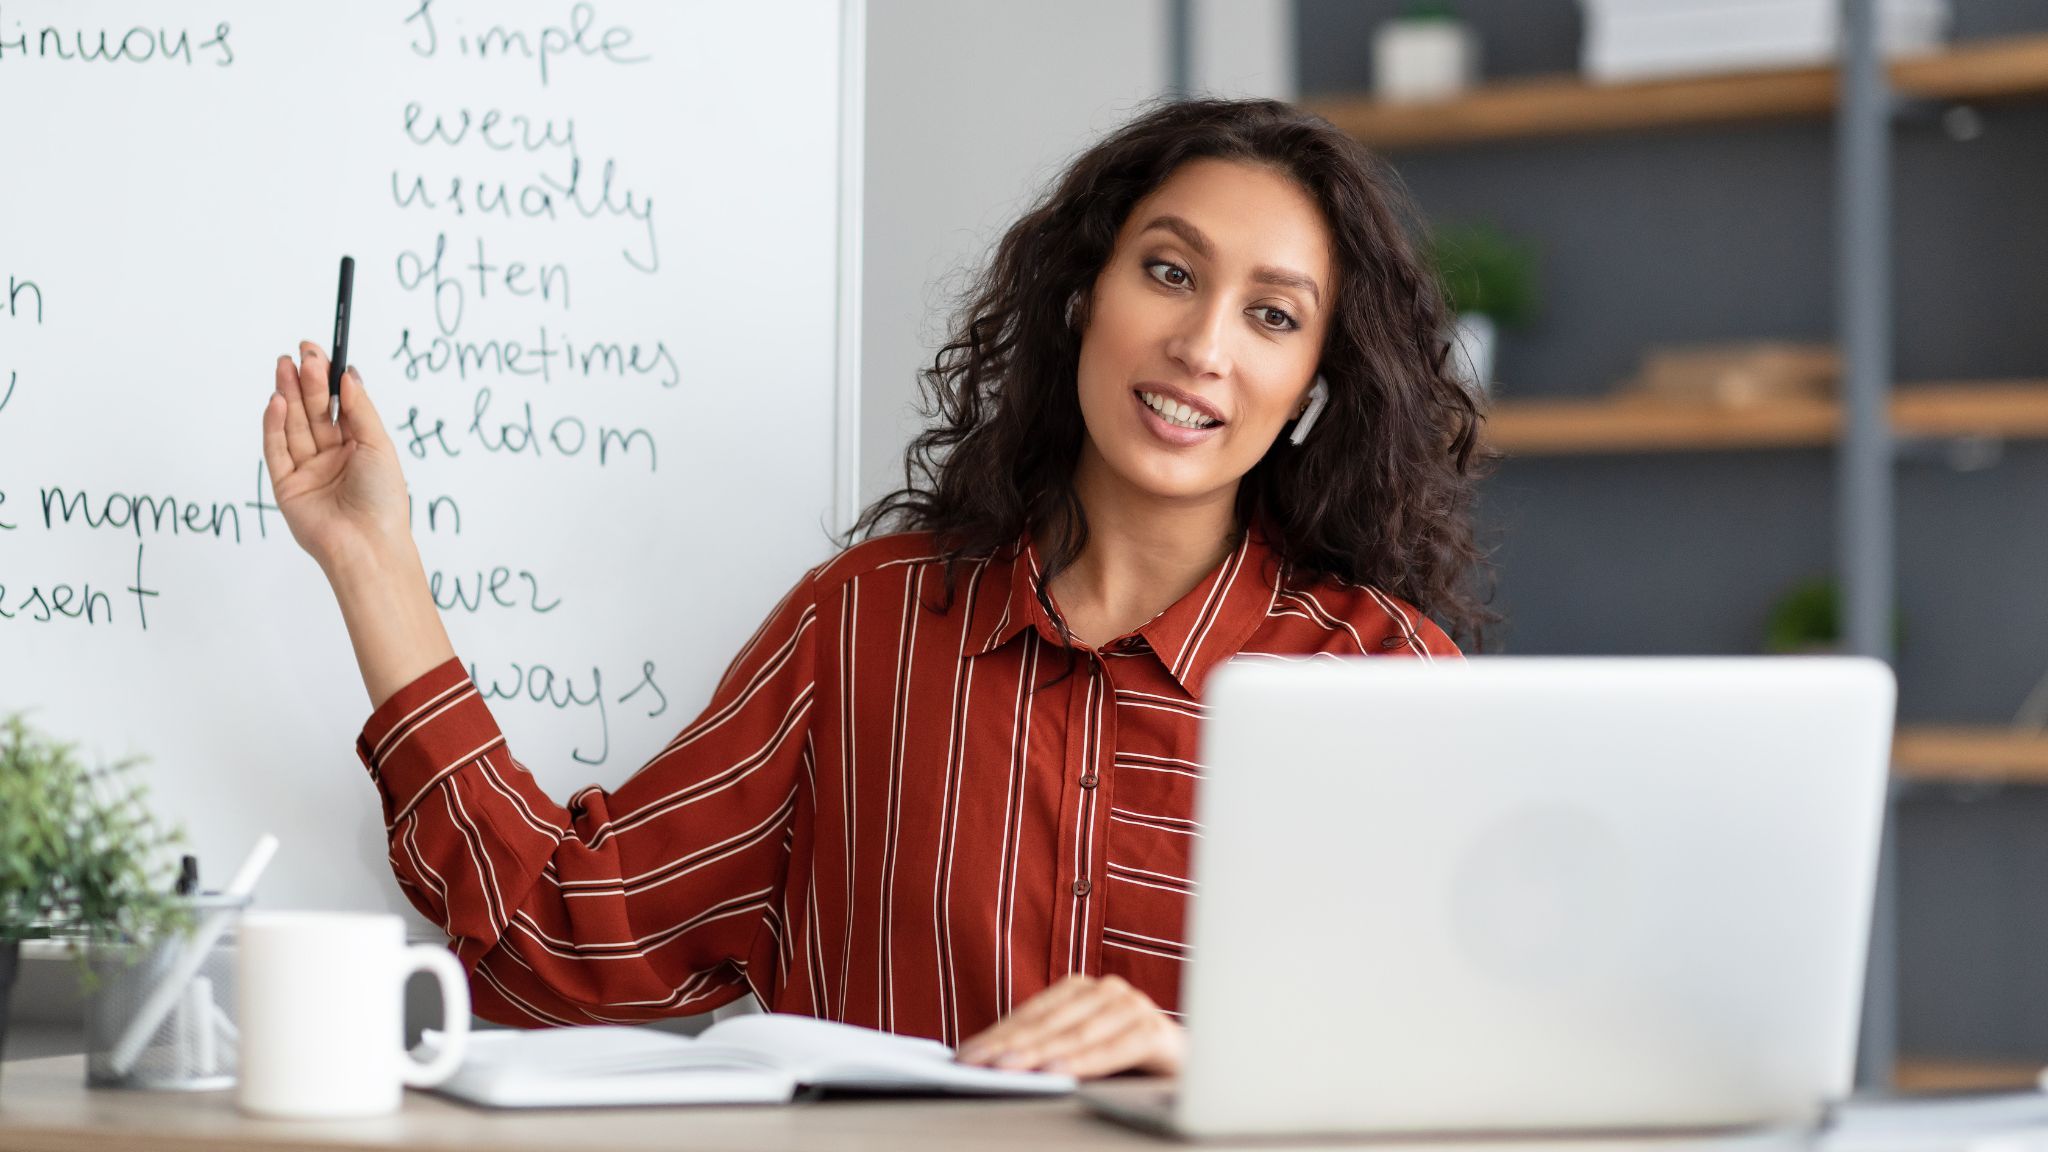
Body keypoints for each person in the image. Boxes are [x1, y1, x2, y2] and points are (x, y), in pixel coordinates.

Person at [261, 97, 1493, 1081]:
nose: (1203, 344)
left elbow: (1470, 1053)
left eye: (1271, 316)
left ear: (1313, 390)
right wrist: (373, 564)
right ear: (1082, 298)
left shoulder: (1377, 681)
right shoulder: (862, 627)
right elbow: (564, 948)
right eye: (1169, 273)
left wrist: (1200, 1061)